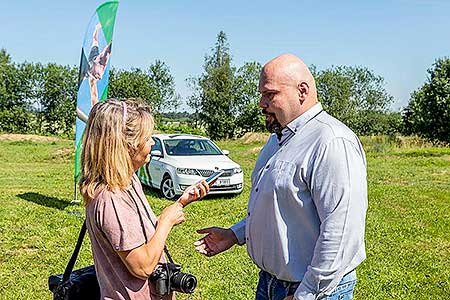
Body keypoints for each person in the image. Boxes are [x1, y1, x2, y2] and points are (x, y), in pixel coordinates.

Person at [195, 54, 368, 300]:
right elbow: (280, 209)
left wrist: (307, 293)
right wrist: (235, 234)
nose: (261, 103)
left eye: (270, 94)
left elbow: (341, 231)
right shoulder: (278, 139)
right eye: (261, 95)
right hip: (270, 284)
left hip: (314, 291)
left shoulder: (331, 141)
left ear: (302, 91)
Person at [79, 98, 209, 300]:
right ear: (127, 146)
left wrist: (180, 203)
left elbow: (137, 236)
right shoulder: (111, 198)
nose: (152, 143)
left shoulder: (128, 181)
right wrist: (166, 221)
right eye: (147, 138)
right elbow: (142, 266)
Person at [87, 23, 112, 106]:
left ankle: (97, 28)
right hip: (93, 59)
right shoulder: (101, 65)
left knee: (95, 42)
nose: (99, 78)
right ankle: (96, 28)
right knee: (95, 40)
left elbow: (94, 95)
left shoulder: (92, 77)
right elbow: (106, 52)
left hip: (92, 60)